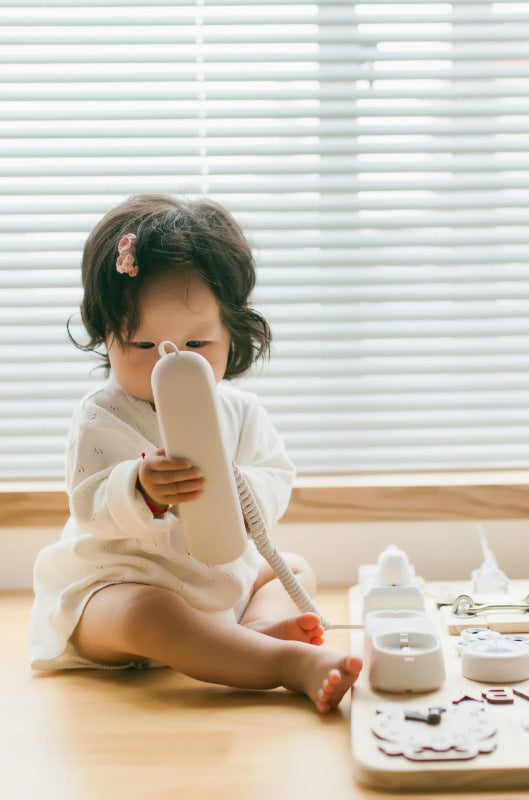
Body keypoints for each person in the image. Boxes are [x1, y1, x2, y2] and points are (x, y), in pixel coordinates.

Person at [29, 194, 361, 712]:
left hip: (213, 582)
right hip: (118, 588)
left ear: (233, 334)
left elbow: (274, 474)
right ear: (106, 336)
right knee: (145, 611)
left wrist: (238, 490)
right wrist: (139, 487)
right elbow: (88, 502)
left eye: (197, 345)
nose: (172, 363)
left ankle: (251, 633)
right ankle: (282, 663)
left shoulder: (241, 410)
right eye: (145, 347)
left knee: (291, 566)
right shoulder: (102, 413)